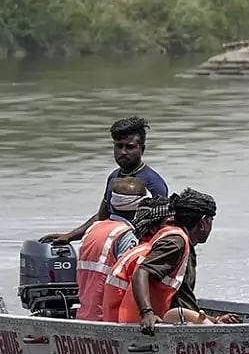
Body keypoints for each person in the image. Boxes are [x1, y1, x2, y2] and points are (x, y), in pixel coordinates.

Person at [114, 188, 239, 333]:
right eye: (211, 221)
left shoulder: (182, 242)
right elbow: (141, 272)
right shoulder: (176, 243)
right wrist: (147, 312)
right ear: (203, 222)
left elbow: (182, 298)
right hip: (154, 323)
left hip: (173, 317)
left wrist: (214, 320)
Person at [40, 116, 168, 244]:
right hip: (113, 243)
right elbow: (102, 217)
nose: (123, 152)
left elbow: (159, 228)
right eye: (119, 146)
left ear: (142, 149)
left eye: (130, 147)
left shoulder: (153, 183)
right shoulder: (114, 177)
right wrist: (70, 236)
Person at [74, 178, 149, 321]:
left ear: (112, 205)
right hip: (109, 317)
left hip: (86, 314)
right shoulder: (126, 235)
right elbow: (130, 280)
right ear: (139, 208)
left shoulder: (93, 229)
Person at [100, 196, 174, 322]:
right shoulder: (147, 254)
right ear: (153, 228)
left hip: (113, 320)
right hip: (125, 323)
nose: (176, 229)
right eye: (170, 224)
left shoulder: (136, 251)